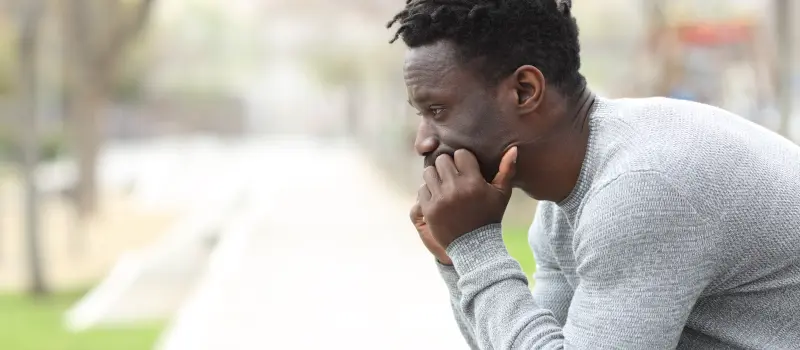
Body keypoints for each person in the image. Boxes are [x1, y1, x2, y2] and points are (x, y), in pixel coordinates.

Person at [387, 0, 800, 349]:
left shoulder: (641, 187)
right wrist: (457, 259)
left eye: (437, 111)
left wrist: (477, 249)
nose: (423, 141)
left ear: (525, 91)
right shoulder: (565, 202)